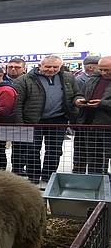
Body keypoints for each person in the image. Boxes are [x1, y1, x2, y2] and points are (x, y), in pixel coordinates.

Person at [14, 55, 84, 183]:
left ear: (60, 66)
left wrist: (77, 100)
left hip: (58, 119)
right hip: (33, 121)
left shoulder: (68, 78)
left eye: (55, 67)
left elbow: (76, 94)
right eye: (48, 66)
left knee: (55, 150)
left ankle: (48, 177)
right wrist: (20, 124)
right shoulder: (24, 80)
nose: (51, 69)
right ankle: (33, 176)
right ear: (40, 66)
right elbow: (17, 103)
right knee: (32, 150)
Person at [73, 56, 111, 175]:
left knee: (105, 155)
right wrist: (79, 100)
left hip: (107, 125)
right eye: (101, 69)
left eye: (107, 70)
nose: (103, 73)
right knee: (94, 157)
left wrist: (102, 104)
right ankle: (95, 182)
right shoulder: (93, 79)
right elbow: (80, 94)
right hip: (89, 124)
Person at [4, 57, 27, 175]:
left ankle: (18, 168)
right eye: (10, 67)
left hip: (22, 118)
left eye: (17, 67)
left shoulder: (28, 81)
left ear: (24, 69)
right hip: (2, 119)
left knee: (21, 145)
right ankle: (0, 169)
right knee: (0, 146)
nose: (13, 69)